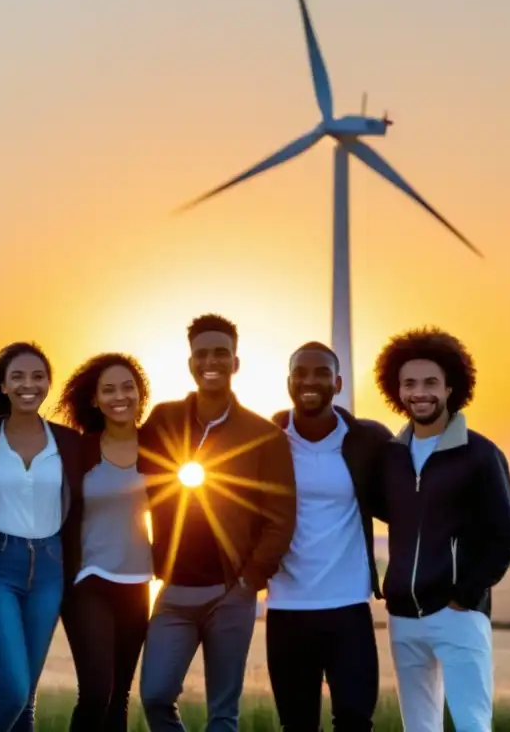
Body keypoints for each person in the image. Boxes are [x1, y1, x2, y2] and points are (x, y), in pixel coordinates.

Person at [137, 313, 296, 732]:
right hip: (172, 590)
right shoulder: (163, 419)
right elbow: (129, 471)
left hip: (231, 592)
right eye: (202, 353)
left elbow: (280, 517)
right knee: (154, 696)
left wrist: (249, 580)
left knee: (223, 714)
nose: (212, 361)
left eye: (221, 353)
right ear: (190, 363)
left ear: (236, 362)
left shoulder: (264, 435)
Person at [372, 327, 510, 732]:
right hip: (403, 615)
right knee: (418, 727)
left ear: (451, 387)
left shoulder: (481, 455)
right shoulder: (391, 457)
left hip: (458, 613)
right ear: (396, 390)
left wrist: (465, 595)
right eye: (409, 383)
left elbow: (506, 538)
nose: (420, 392)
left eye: (431, 383)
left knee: (473, 724)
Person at [266, 341, 392, 731]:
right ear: (288, 382)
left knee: (355, 719)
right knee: (297, 725)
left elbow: (408, 498)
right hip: (287, 608)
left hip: (349, 607)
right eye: (301, 372)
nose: (310, 380)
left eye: (321, 372)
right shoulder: (267, 439)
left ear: (337, 383)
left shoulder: (368, 439)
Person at [0, 342, 84, 732]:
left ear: (48, 383)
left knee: (27, 699)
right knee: (13, 689)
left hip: (50, 569)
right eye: (18, 376)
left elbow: (79, 509)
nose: (28, 385)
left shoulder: (69, 442)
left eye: (37, 376)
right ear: (3, 386)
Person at [55, 353, 154, 732]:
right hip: (88, 581)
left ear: (139, 395)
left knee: (119, 701)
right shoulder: (79, 451)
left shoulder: (158, 448)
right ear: (94, 399)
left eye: (128, 387)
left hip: (139, 581)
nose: (120, 396)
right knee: (97, 691)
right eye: (108, 389)